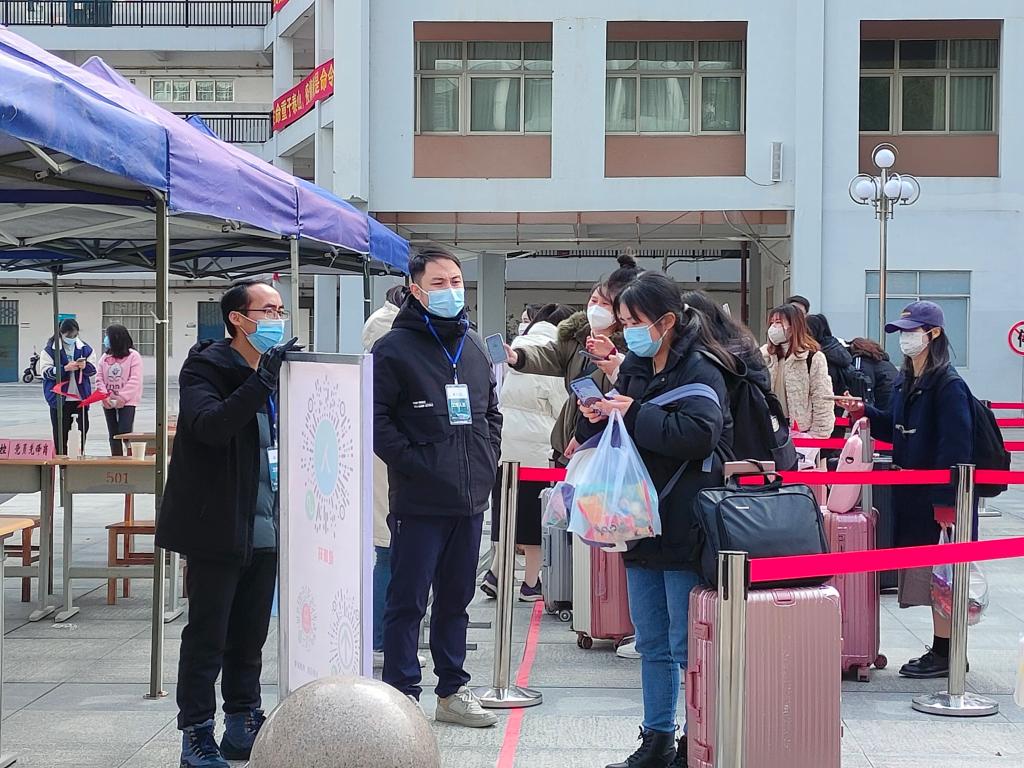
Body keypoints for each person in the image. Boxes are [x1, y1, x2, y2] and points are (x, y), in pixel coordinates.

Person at [577, 273, 733, 768]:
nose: (628, 332)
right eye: (623, 322)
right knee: (651, 640)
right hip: (637, 521)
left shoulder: (702, 368)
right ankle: (657, 738)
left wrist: (634, 411)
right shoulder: (636, 366)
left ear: (666, 321)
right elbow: (622, 424)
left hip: (685, 522)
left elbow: (699, 436)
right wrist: (597, 413)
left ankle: (695, 738)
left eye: (634, 322)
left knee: (686, 643)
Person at [155, 279, 300, 768]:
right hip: (216, 526)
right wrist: (261, 382)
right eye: (267, 311)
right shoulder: (206, 367)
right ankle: (196, 734)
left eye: (280, 310)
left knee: (250, 635)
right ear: (238, 319)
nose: (277, 319)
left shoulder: (281, 372)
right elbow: (210, 426)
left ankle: (242, 721)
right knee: (207, 636)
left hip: (267, 525)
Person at [372, 247, 502, 728]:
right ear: (416, 290)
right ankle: (402, 694)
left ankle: (452, 690)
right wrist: (417, 464)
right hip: (419, 499)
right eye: (439, 283)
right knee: (408, 601)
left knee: (456, 600)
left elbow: (490, 412)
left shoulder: (472, 346)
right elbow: (377, 421)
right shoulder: (392, 349)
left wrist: (486, 461)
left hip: (469, 499)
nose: (451, 291)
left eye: (456, 282)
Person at [839, 301, 974, 679]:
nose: (905, 339)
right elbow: (896, 429)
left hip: (937, 495)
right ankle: (944, 648)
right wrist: (864, 411)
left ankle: (948, 653)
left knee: (943, 575)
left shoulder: (947, 384)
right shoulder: (907, 379)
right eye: (901, 333)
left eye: (912, 332)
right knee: (929, 575)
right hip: (911, 493)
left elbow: (956, 447)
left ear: (934, 334)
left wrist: (946, 501)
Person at [507, 253, 640, 466]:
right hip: (567, 440)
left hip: (604, 445)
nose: (596, 308)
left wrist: (583, 436)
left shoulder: (631, 348)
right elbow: (550, 355)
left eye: (605, 304)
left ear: (620, 311)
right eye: (593, 301)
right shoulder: (576, 337)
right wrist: (519, 357)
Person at [480, 303, 572, 601]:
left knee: (506, 512)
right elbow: (562, 406)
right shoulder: (553, 354)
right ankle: (531, 583)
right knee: (534, 517)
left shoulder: (518, 349)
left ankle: (496, 574)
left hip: (505, 447)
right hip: (538, 450)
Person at [361, 285, 430, 672]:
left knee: (397, 554)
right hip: (394, 463)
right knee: (390, 552)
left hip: (402, 461)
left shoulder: (389, 327)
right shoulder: (388, 331)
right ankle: (381, 640)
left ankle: (388, 639)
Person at [761, 304, 835, 438]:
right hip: (768, 428)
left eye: (778, 322)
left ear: (793, 326)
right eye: (771, 323)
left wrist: (817, 434)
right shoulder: (764, 356)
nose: (773, 327)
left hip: (801, 430)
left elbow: (822, 397)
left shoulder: (812, 357)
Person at [43, 318, 95, 455]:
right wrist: (64, 368)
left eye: (74, 335)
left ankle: (79, 458)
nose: (71, 338)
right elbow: (45, 372)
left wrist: (85, 366)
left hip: (80, 398)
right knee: (60, 434)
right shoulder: (50, 350)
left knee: (82, 431)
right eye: (68, 336)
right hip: (59, 400)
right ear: (61, 333)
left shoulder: (85, 348)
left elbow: (93, 370)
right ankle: (62, 462)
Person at [97, 323, 144, 456]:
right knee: (113, 433)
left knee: (125, 431)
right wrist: (104, 396)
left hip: (127, 401)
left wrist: (122, 397)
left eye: (107, 336)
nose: (105, 340)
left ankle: (129, 457)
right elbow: (99, 378)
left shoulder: (133, 356)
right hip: (108, 400)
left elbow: (135, 379)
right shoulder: (105, 357)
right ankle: (116, 458)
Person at [847, 337, 899, 410]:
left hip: (883, 406)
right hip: (897, 403)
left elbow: (862, 385)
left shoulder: (861, 361)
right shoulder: (885, 362)